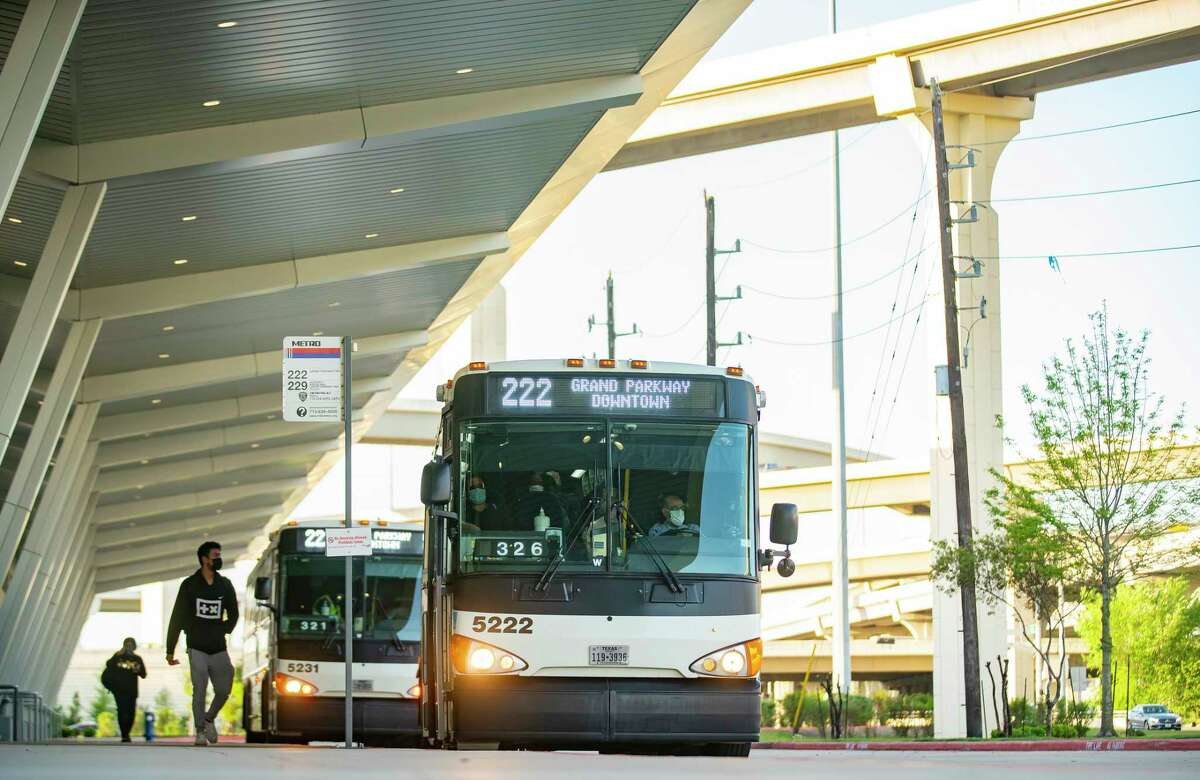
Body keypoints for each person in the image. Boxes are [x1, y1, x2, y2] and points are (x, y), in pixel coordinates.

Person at [166, 541, 239, 747]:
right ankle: (199, 731)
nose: (219, 558)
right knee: (200, 689)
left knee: (224, 689)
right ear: (204, 559)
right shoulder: (189, 585)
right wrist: (170, 650)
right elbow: (176, 618)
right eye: (215, 555)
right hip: (196, 646)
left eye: (219, 554)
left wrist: (224, 629)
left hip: (218, 647)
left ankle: (209, 718)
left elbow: (234, 614)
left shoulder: (225, 585)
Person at [102, 637, 146, 743]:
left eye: (131, 645)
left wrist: (137, 670)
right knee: (122, 711)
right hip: (119, 690)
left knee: (131, 713)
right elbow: (108, 664)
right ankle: (124, 735)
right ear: (124, 645)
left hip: (132, 691)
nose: (129, 647)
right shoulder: (118, 656)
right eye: (127, 645)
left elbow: (143, 674)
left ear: (134, 646)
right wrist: (118, 654)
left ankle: (127, 732)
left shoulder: (137, 659)